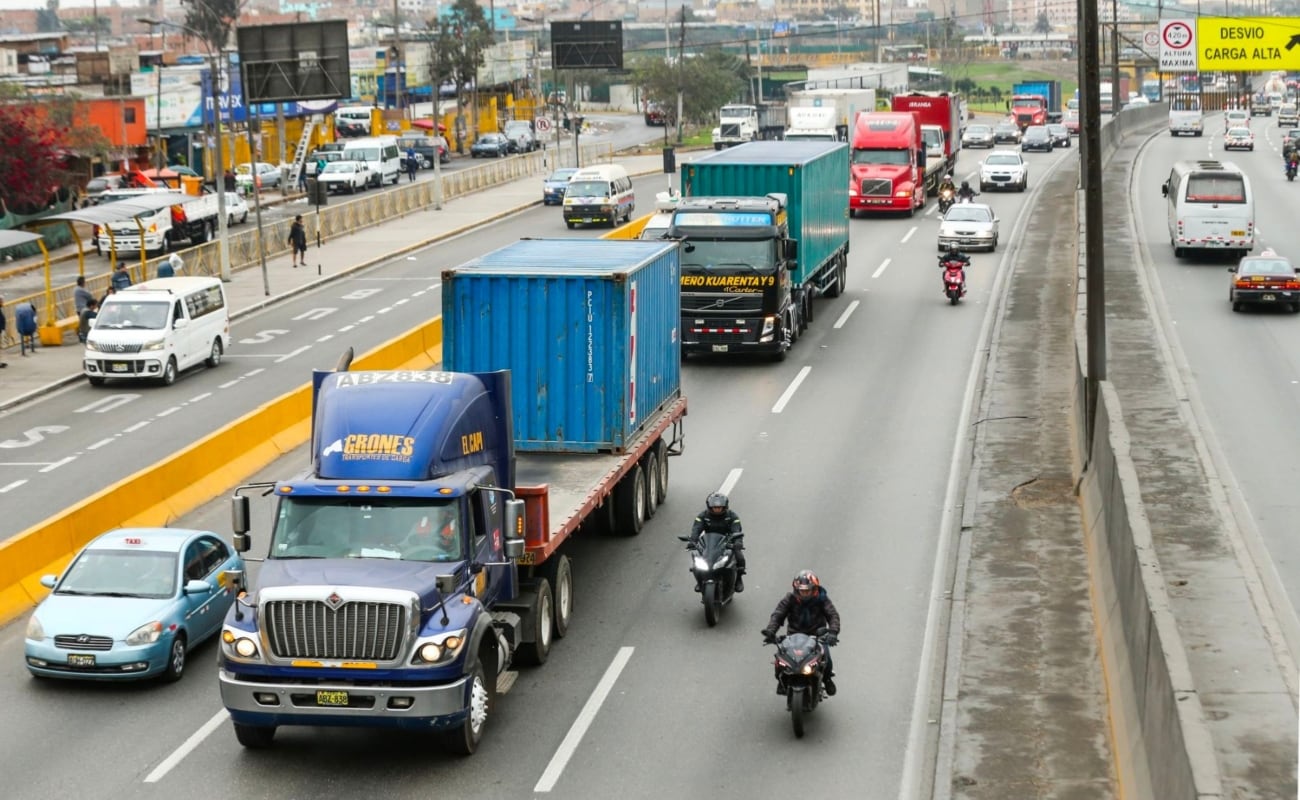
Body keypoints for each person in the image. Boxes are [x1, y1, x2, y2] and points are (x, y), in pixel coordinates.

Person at [762, 570, 842, 695]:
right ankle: (782, 680)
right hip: (794, 637)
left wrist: (833, 633)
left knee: (826, 656)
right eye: (802, 591)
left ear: (814, 589)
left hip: (817, 637)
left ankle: (827, 679)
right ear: (796, 589)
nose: (804, 594)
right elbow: (778, 615)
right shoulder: (789, 599)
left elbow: (833, 616)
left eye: (807, 590)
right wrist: (771, 631)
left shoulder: (822, 599)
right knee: (781, 658)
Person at [689, 492, 745, 592]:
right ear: (710, 507)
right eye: (715, 507)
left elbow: (737, 530)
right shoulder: (702, 516)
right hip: (708, 544)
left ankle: (739, 579)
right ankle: (699, 581)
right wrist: (692, 541)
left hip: (727, 543)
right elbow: (696, 529)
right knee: (695, 557)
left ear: (725, 506)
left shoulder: (733, 516)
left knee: (739, 557)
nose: (717, 509)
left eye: (720, 507)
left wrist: (738, 542)